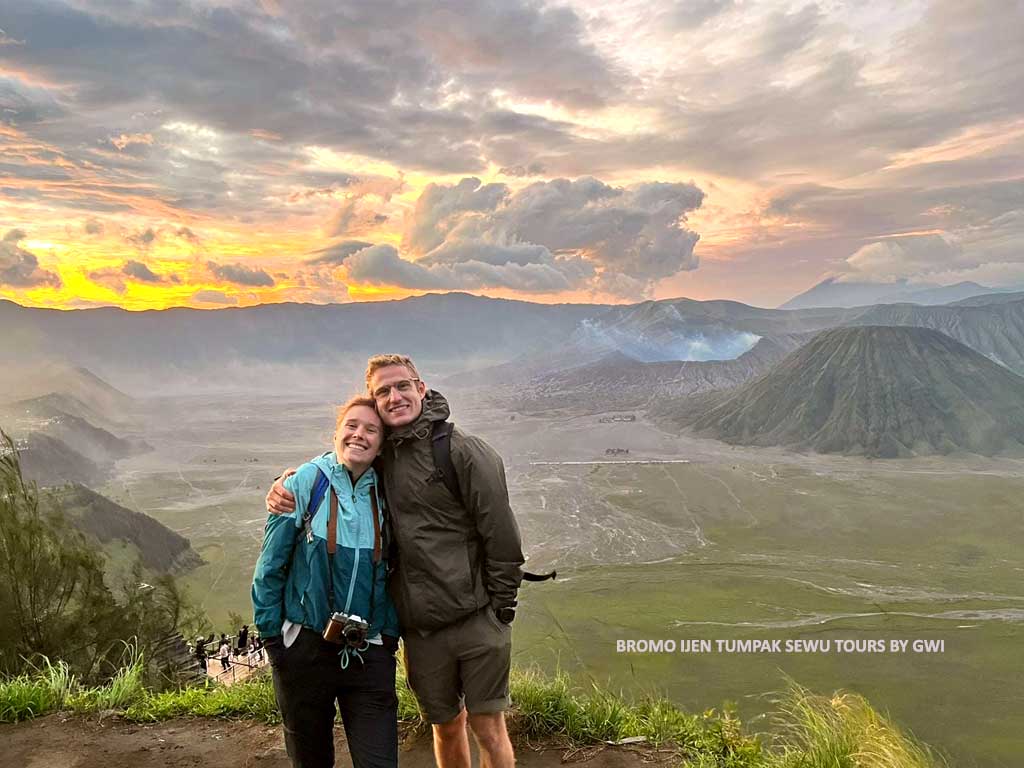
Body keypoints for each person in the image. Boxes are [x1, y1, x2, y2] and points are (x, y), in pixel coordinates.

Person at [267, 354, 524, 768]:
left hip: (477, 617)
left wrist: (500, 610)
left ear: (422, 389)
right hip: (420, 630)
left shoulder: (463, 451)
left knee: (488, 727)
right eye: (382, 391)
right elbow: (338, 462)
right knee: (444, 725)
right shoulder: (382, 455)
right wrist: (286, 481)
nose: (395, 396)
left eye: (403, 386)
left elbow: (503, 537)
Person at [254, 394, 401, 768]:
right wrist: (276, 640)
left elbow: (396, 569)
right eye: (351, 426)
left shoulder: (390, 492)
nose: (359, 435)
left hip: (368, 651)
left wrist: (387, 637)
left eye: (371, 430)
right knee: (311, 760)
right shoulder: (306, 482)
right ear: (335, 433)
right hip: (305, 647)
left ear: (382, 443)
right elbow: (270, 566)